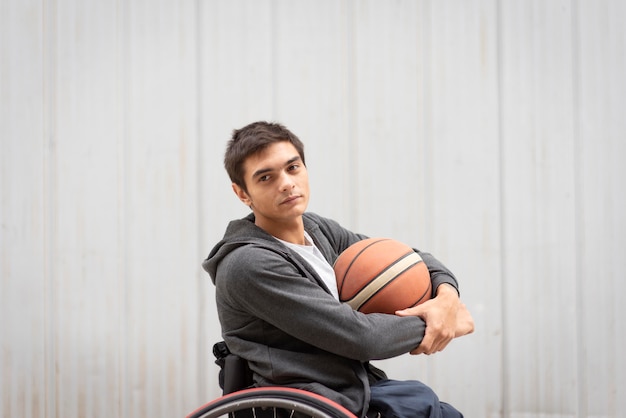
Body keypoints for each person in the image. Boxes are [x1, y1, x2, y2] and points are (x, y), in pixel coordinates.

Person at [203, 121, 474, 418]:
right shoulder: (249, 265)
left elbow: (414, 259)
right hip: (305, 403)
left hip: (350, 390)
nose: (286, 183)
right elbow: (360, 337)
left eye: (293, 168)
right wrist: (441, 322)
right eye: (266, 177)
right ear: (243, 193)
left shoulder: (318, 230)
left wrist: (446, 298)